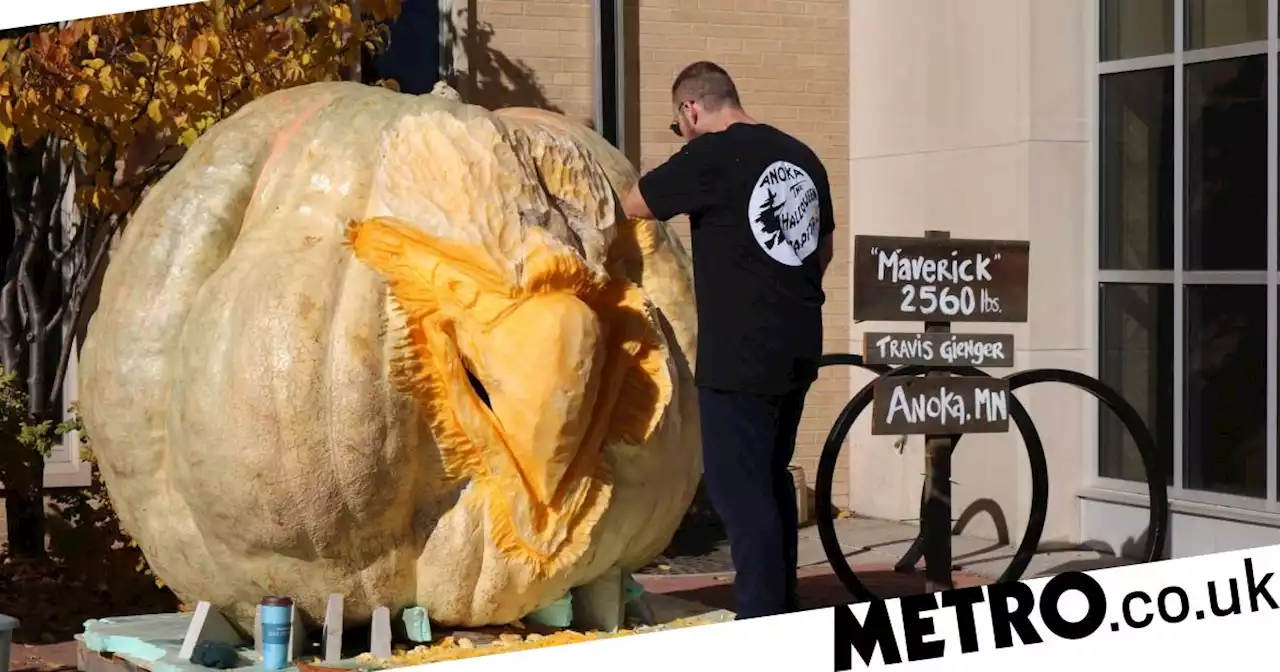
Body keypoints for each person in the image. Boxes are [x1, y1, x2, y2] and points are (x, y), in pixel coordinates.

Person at [622, 61, 835, 619]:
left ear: (691, 109)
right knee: (770, 478)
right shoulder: (802, 157)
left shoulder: (712, 155)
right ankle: (783, 605)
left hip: (740, 351)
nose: (682, 133)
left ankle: (762, 622)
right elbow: (823, 249)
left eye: (678, 124)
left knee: (739, 493)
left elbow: (637, 203)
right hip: (797, 343)